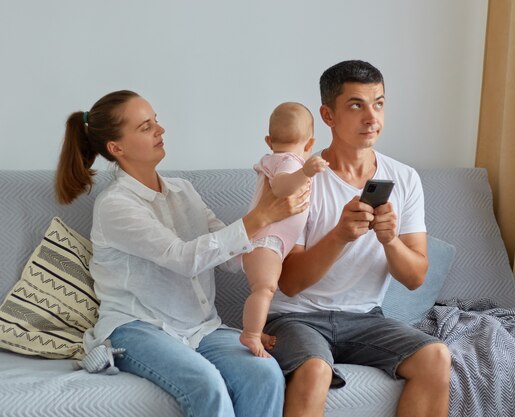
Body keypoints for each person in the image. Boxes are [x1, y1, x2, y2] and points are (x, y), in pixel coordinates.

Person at [55, 90, 307, 417]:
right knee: (206, 384)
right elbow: (184, 258)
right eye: (146, 127)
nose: (161, 130)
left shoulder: (183, 190)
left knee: (264, 374)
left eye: (156, 121)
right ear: (116, 148)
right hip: (137, 327)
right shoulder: (115, 205)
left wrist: (275, 236)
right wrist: (260, 216)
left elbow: (230, 257)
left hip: (200, 328)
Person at [264, 61, 452, 417]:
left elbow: (415, 277)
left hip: (366, 318)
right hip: (296, 318)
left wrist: (390, 240)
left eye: (378, 104)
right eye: (356, 105)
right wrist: (339, 236)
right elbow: (288, 283)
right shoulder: (300, 179)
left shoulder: (406, 178)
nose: (371, 117)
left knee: (436, 356)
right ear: (328, 115)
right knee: (314, 370)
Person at [241, 102, 328, 357]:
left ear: (268, 140)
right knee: (264, 289)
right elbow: (281, 188)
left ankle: (254, 328)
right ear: (310, 144)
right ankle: (251, 334)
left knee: (262, 290)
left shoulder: (275, 158)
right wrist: (305, 171)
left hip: (268, 243)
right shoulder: (290, 162)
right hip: (267, 242)